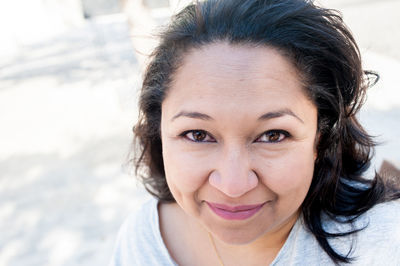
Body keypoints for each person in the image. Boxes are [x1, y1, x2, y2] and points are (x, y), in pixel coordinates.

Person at [110, 0, 400, 265]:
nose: (233, 186)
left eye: (273, 135)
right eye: (197, 134)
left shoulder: (383, 244)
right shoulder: (140, 242)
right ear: (159, 132)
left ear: (320, 138)